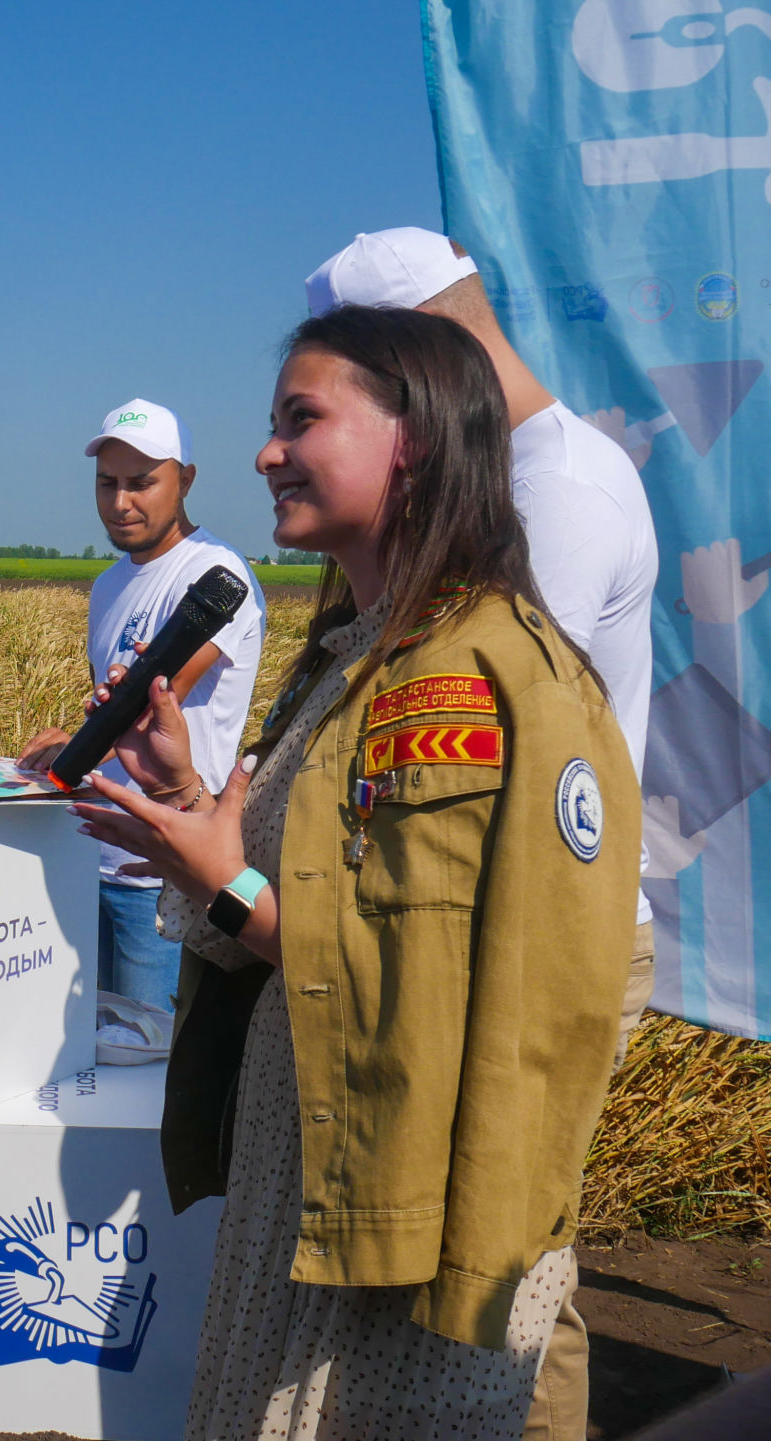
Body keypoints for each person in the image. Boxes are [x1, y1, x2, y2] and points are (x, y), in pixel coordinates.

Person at [69, 306, 639, 1438]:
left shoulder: (483, 675)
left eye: (300, 419)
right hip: (312, 1170)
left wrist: (227, 882)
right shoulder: (358, 654)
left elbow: (472, 984)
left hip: (409, 1228)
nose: (265, 452)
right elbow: (318, 890)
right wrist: (191, 800)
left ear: (413, 438)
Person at [308, 227, 661, 1440]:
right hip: (468, 913)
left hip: (526, 927)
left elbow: (469, 750)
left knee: (509, 1261)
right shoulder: (522, 470)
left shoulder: (547, 489)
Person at [20, 399, 263, 1012]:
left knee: (146, 1068)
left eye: (141, 482)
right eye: (107, 483)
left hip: (162, 874)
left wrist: (70, 748)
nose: (121, 502)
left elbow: (149, 703)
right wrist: (71, 737)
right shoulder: (107, 586)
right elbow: (108, 704)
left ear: (185, 480)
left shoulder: (213, 575)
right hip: (89, 856)